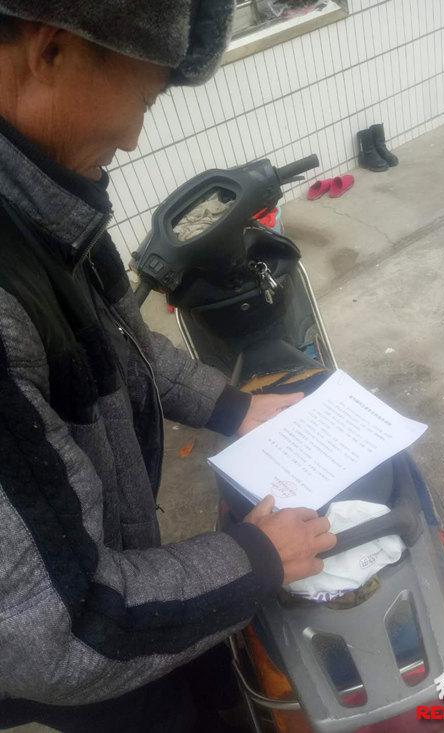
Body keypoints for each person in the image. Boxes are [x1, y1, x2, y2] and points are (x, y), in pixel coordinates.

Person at [0, 2, 337, 730]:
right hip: (79, 643)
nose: (133, 137)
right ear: (50, 52)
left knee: (209, 669)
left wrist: (234, 407)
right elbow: (64, 628)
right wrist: (258, 557)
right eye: (145, 99)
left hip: (104, 570)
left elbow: (114, 340)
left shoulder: (44, 201)